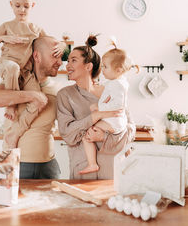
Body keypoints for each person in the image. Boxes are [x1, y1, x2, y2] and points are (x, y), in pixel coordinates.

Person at [0, 0, 62, 149]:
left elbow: (51, 42)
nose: (22, 10)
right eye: (17, 6)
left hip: (25, 74)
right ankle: (11, 105)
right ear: (11, 4)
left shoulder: (35, 29)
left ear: (32, 6)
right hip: (8, 66)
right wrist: (4, 38)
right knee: (13, 68)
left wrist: (62, 45)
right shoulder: (7, 26)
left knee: (40, 100)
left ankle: (17, 131)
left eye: (26, 6)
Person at [56, 35, 136, 179]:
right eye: (67, 61)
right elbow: (68, 134)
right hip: (83, 173)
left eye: (73, 60)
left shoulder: (112, 91)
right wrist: (95, 116)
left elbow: (130, 131)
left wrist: (105, 137)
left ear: (88, 66)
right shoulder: (65, 95)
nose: (67, 65)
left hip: (114, 171)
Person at [0, 36, 62, 179]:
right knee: (7, 201)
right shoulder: (17, 82)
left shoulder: (58, 89)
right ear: (36, 56)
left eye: (60, 57)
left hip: (48, 165)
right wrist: (32, 96)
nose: (59, 62)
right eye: (54, 56)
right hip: (11, 158)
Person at [79, 44, 138, 175]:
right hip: (116, 121)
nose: (102, 70)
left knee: (86, 135)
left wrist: (98, 109)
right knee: (118, 143)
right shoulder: (118, 82)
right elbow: (108, 95)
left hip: (113, 121)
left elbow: (116, 104)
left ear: (118, 70)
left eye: (105, 67)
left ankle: (92, 164)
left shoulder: (118, 85)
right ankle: (127, 155)